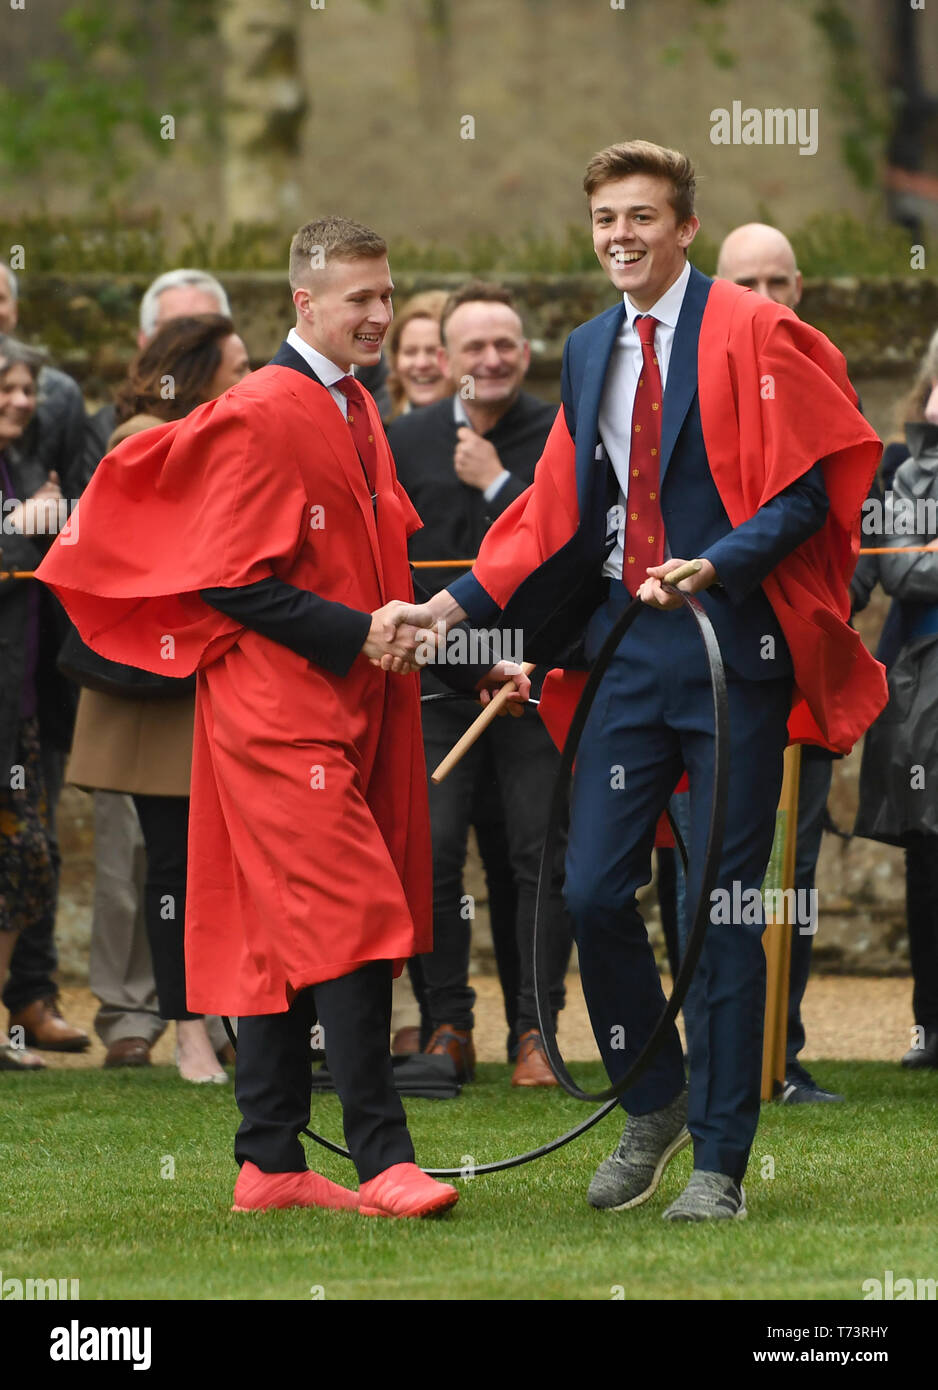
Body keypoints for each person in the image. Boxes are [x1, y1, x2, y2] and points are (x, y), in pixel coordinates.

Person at [414, 141, 883, 1220]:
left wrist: (717, 561)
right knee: (586, 891)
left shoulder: (753, 328)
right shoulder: (586, 350)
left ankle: (718, 1160)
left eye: (639, 217)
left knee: (718, 909)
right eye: (603, 220)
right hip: (626, 655)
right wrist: (454, 609)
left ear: (682, 228)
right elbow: (550, 513)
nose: (619, 236)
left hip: (735, 655)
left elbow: (808, 495)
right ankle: (655, 1097)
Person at [39, 215, 525, 1217]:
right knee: (352, 914)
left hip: (346, 702)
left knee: (264, 930)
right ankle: (381, 1153)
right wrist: (361, 634)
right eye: (361, 299)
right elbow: (229, 581)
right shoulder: (265, 408)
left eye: (388, 296)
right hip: (279, 712)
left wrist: (401, 641)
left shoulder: (352, 407)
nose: (382, 316)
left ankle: (266, 1160)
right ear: (304, 302)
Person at [388, 281, 573, 1086]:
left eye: (506, 347)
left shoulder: (562, 436)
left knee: (538, 858)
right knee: (430, 855)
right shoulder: (405, 440)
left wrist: (501, 481)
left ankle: (537, 1032)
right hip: (435, 689)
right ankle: (446, 1027)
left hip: (532, 684)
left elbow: (570, 558)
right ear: (445, 356)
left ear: (526, 354)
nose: (491, 361)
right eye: (474, 348)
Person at [64, 314, 250, 1083]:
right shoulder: (142, 435)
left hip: (202, 680)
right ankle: (189, 1031)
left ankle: (222, 1017)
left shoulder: (203, 429)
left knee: (214, 863)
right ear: (198, 369)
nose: (248, 378)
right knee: (177, 865)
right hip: (156, 694)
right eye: (237, 366)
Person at [709, 222, 844, 1104]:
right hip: (708, 662)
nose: (764, 299)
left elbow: (845, 519)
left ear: (800, 288)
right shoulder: (696, 382)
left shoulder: (825, 378)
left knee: (789, 874)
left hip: (800, 658)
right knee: (705, 871)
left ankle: (778, 1059)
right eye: (744, 282)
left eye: (778, 282)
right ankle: (707, 1057)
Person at [0, 268, 89, 1054]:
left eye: (28, 389)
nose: (24, 402)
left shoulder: (32, 462)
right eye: (8, 390)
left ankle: (25, 1005)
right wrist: (15, 527)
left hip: (28, 702)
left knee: (26, 854)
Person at [854, 329, 938, 1070]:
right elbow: (904, 573)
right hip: (923, 686)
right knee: (930, 853)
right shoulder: (903, 467)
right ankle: (932, 1025)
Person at [385, 290, 451, 420]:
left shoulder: (486, 433)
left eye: (434, 352)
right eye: (410, 352)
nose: (421, 363)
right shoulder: (375, 427)